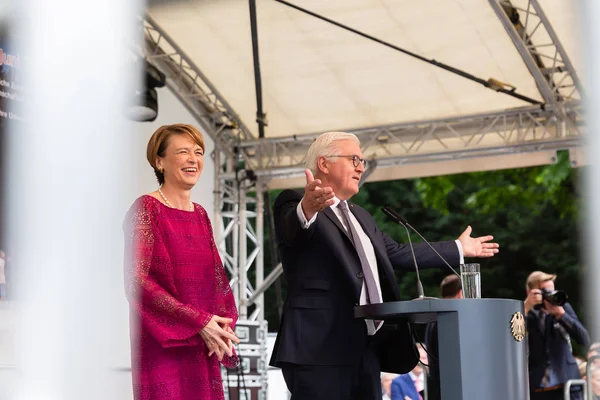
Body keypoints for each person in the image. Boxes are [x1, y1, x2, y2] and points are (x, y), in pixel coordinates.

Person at [269, 131, 499, 400]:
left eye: (363, 161)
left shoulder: (360, 216)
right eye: (354, 158)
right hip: (319, 349)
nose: (361, 167)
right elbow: (293, 229)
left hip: (366, 349)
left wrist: (459, 248)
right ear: (324, 163)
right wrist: (307, 208)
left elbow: (400, 254)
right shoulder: (293, 200)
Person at [123, 124, 240, 400]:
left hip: (202, 340)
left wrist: (221, 327)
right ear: (159, 161)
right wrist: (199, 321)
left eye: (198, 152)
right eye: (183, 152)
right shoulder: (145, 209)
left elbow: (216, 279)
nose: (193, 159)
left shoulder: (200, 214)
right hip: (163, 345)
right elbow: (136, 281)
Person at [524, 271, 590, 400]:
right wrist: (526, 307)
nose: (550, 296)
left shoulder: (563, 308)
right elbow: (509, 333)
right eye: (545, 292)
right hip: (539, 387)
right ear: (530, 292)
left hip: (566, 384)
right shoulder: (525, 312)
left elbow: (584, 338)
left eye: (552, 291)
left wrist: (562, 315)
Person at [424, 274, 463, 400]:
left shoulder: (434, 318)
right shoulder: (451, 319)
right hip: (452, 389)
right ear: (461, 293)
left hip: (437, 388)